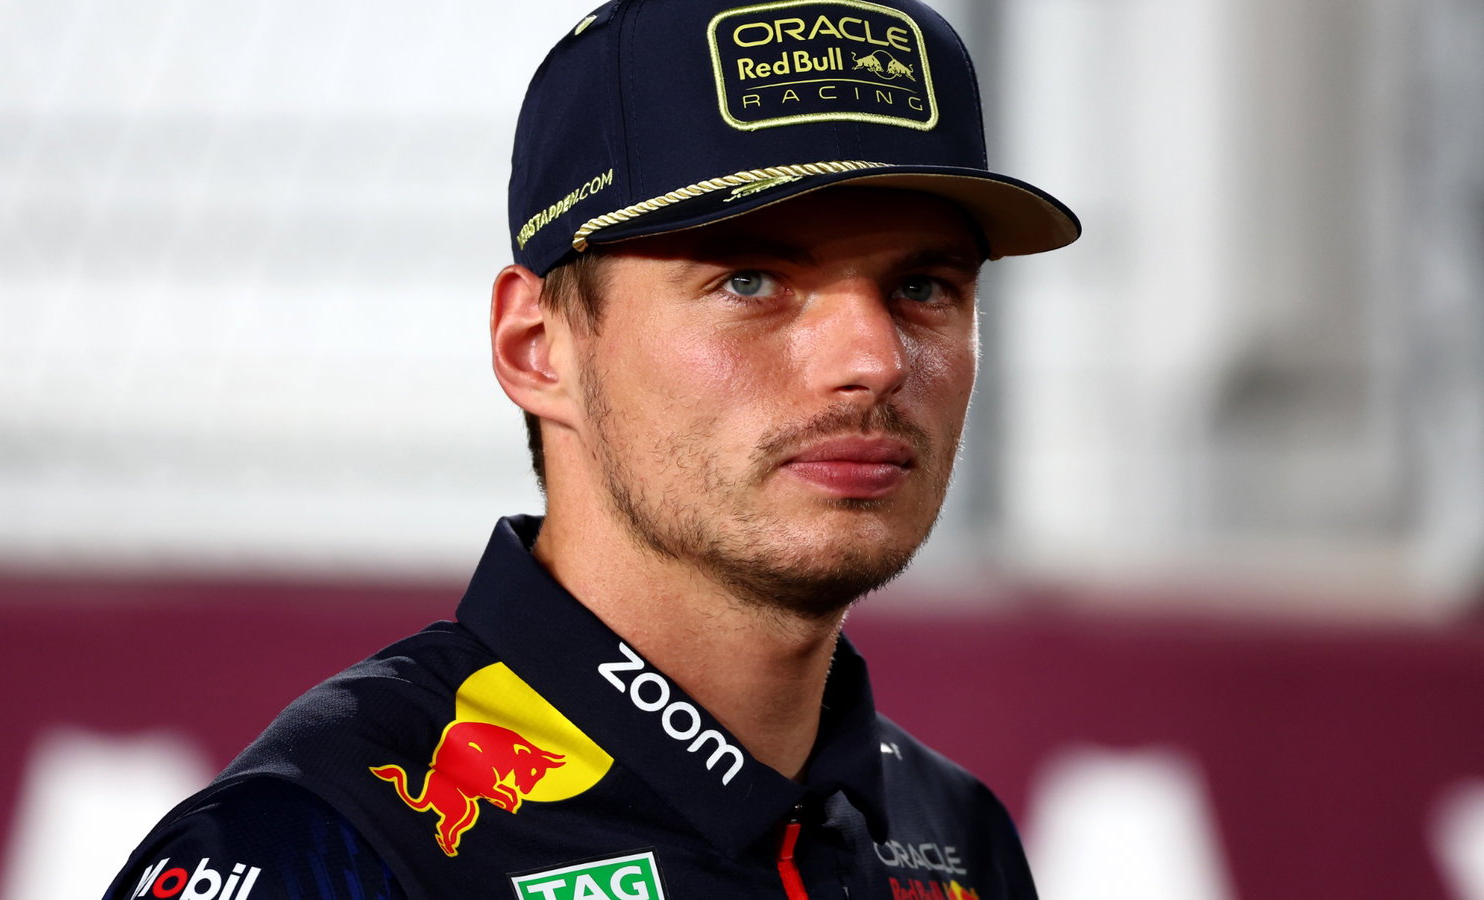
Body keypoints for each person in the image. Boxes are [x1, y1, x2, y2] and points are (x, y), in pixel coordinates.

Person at [103, 0, 1078, 897]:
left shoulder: (951, 842)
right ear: (538, 349)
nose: (871, 359)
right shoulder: (315, 843)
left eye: (924, 288)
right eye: (748, 280)